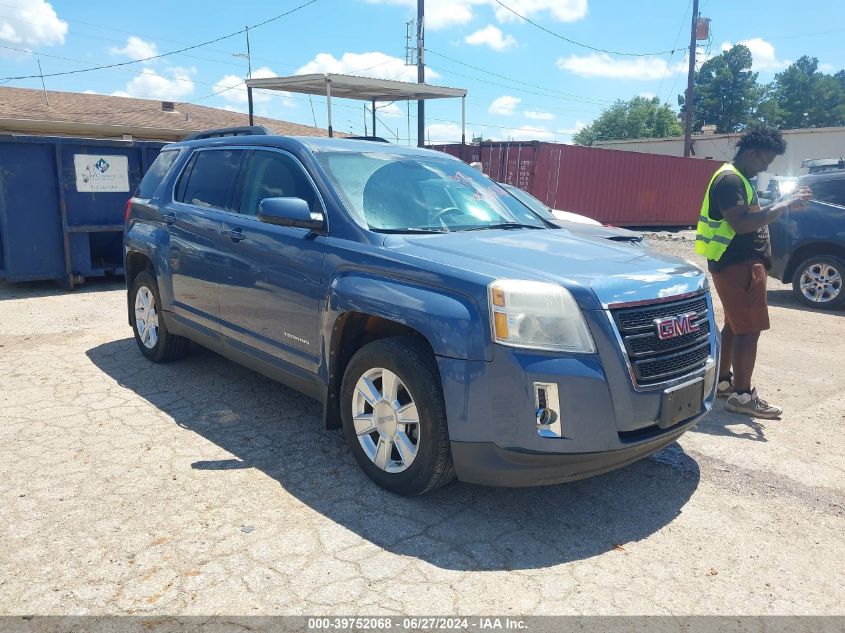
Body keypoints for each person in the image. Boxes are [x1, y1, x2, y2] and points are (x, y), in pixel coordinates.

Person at [695, 125, 812, 418]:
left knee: (736, 325)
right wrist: (784, 205)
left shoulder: (739, 179)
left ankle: (723, 383)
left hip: (737, 264)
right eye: (765, 160)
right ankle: (742, 397)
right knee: (750, 330)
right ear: (752, 152)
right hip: (739, 265)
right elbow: (742, 224)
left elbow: (748, 217)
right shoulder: (730, 180)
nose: (766, 166)